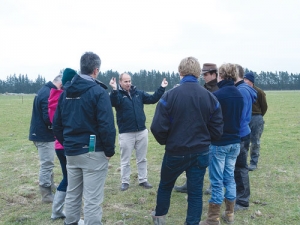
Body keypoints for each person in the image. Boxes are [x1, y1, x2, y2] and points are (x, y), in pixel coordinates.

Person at [150, 56, 223, 225]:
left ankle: (159, 218)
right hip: (200, 151)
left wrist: (168, 141)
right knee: (195, 192)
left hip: (176, 150)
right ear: (198, 74)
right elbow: (217, 128)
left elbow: (157, 126)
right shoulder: (210, 97)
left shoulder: (170, 96)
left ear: (180, 73)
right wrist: (206, 139)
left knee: (166, 186)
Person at [53, 52, 116, 225]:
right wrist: (109, 150)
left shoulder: (66, 92)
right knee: (92, 199)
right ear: (96, 71)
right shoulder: (99, 92)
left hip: (72, 152)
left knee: (73, 194)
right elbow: (107, 125)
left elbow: (56, 124)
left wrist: (67, 143)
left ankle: (70, 222)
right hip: (92, 152)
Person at [200, 63, 244, 225]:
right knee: (229, 177)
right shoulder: (239, 94)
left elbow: (210, 119)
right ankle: (230, 213)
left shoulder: (218, 95)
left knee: (217, 180)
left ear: (221, 75)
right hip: (235, 142)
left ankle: (213, 218)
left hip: (219, 143)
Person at [109, 73, 168, 191]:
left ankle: (143, 180)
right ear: (120, 82)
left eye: (129, 81)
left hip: (141, 131)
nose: (128, 83)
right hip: (126, 133)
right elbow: (113, 103)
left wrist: (162, 87)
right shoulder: (117, 95)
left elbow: (152, 99)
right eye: (125, 81)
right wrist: (114, 89)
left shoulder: (138, 93)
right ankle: (125, 181)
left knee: (142, 158)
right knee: (125, 160)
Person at [174, 63, 219, 194]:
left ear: (213, 74)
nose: (203, 77)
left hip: (208, 131)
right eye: (202, 74)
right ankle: (189, 184)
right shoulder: (205, 88)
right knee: (194, 161)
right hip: (198, 130)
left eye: (206, 74)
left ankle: (212, 185)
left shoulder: (216, 89)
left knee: (212, 161)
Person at [48, 68, 77, 220]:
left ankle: (57, 210)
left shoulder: (53, 99)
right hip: (66, 144)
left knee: (68, 177)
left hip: (59, 144)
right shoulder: (64, 99)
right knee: (70, 179)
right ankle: (58, 210)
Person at [29, 74, 62, 203]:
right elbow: (48, 117)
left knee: (49, 162)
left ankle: (51, 184)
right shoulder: (48, 93)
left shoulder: (44, 90)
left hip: (41, 133)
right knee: (47, 163)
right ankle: (46, 194)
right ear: (60, 85)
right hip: (43, 135)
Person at [234, 65, 257, 211]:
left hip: (240, 133)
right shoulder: (245, 89)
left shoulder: (241, 90)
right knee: (238, 167)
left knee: (240, 167)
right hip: (244, 131)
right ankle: (238, 197)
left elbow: (239, 115)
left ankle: (242, 201)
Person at [244, 71, 268, 171]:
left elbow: (264, 107)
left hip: (256, 118)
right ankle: (243, 163)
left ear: (251, 81)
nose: (244, 81)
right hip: (245, 118)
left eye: (246, 79)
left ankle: (253, 163)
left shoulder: (260, 92)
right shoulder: (242, 90)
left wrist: (258, 116)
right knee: (244, 142)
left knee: (255, 141)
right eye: (244, 79)